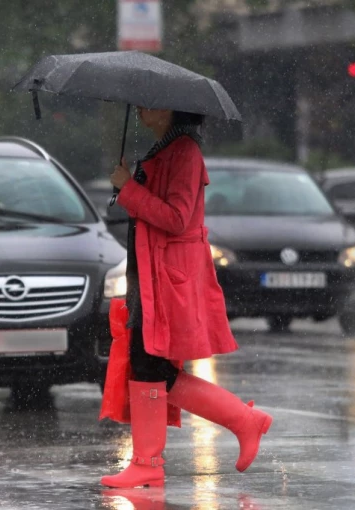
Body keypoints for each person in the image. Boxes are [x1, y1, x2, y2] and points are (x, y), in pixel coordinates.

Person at [101, 107, 273, 489]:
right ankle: (151, 460)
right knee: (147, 365)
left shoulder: (185, 152)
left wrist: (129, 188)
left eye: (149, 103)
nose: (142, 110)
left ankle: (234, 425)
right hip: (149, 273)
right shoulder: (167, 148)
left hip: (166, 276)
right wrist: (128, 186)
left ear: (169, 109)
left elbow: (177, 218)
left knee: (151, 364)